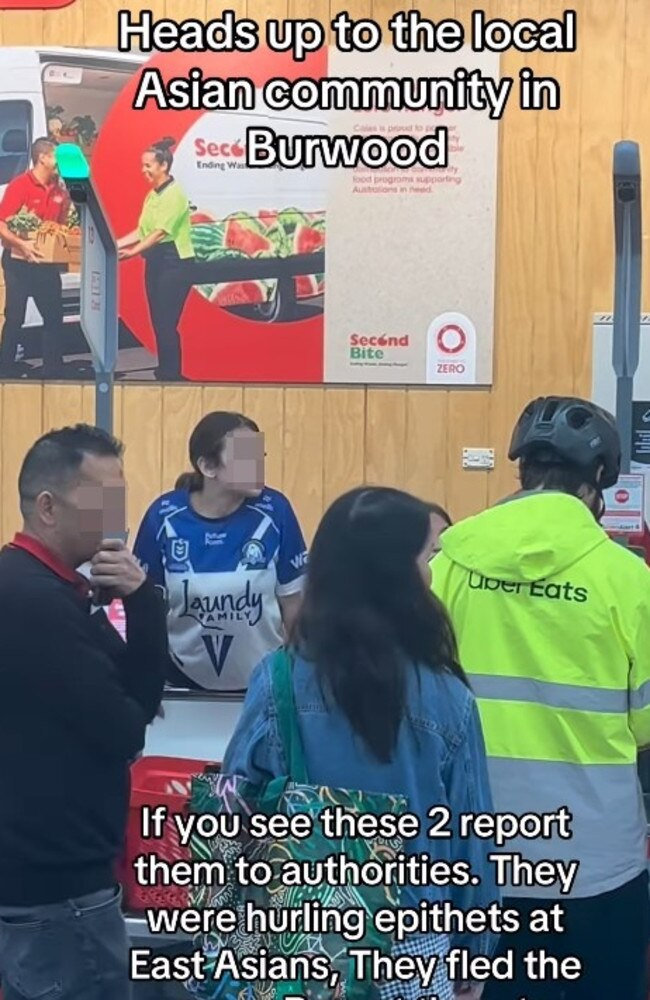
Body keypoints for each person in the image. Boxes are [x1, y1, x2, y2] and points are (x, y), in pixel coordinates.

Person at [222, 486, 499, 1000]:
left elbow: (232, 808)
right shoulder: (447, 697)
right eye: (427, 557)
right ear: (398, 576)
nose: (432, 572)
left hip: (297, 943)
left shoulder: (276, 679)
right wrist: (473, 953)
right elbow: (470, 840)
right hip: (411, 947)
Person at [430, 395, 650, 1000]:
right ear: (599, 478)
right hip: (595, 857)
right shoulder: (628, 580)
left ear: (521, 468)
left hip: (474, 854)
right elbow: (644, 726)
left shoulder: (449, 566)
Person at [0, 424, 168, 1000]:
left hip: (52, 879)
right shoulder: (34, 602)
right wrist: (143, 605)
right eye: (103, 500)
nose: (115, 519)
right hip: (57, 891)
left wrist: (140, 603)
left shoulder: (51, 589)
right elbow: (126, 729)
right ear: (48, 507)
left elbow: (134, 702)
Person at [133, 411, 308, 692]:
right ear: (207, 466)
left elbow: (294, 606)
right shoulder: (163, 516)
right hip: (181, 683)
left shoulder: (276, 510)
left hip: (265, 684)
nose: (258, 467)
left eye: (260, 457)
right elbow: (143, 610)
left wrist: (299, 681)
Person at [117, 136, 195, 381]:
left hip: (175, 262)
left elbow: (160, 232)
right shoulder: (153, 195)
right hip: (156, 260)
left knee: (166, 321)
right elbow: (143, 230)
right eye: (143, 165)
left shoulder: (175, 194)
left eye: (148, 165)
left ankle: (172, 373)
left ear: (163, 165)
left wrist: (133, 252)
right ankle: (165, 370)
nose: (144, 170)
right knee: (158, 320)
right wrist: (115, 245)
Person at [0, 136, 69, 379]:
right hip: (18, 262)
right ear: (43, 158)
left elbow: (61, 225)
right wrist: (22, 244)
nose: (60, 163)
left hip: (45, 263)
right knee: (15, 316)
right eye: (56, 157)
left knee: (54, 315)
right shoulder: (20, 185)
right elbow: (2, 223)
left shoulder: (59, 190)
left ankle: (53, 369)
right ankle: (5, 369)